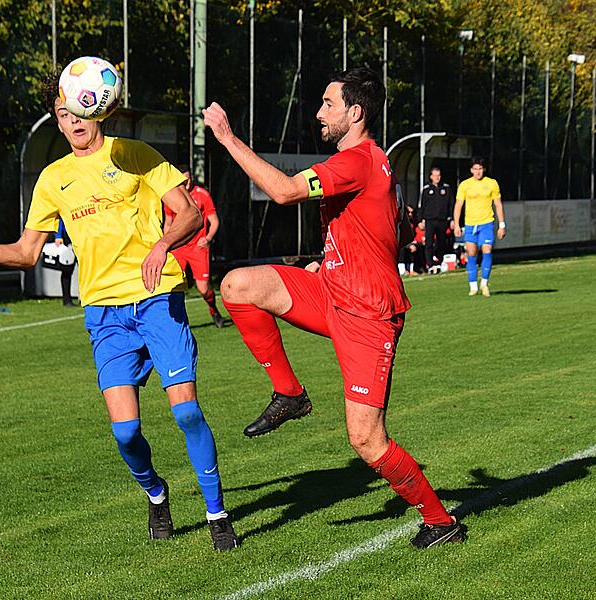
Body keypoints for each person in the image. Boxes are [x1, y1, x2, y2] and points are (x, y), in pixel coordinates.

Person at [0, 71, 238, 551]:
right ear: (57, 121)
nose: (71, 119)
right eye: (62, 113)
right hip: (104, 314)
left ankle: (216, 512)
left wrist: (162, 245)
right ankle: (156, 493)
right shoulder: (53, 179)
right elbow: (26, 252)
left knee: (185, 414)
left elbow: (190, 214)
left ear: (96, 108)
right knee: (125, 432)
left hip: (157, 297)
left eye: (78, 109)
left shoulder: (135, 154)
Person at [203, 67, 466, 548]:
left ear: (355, 112)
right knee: (238, 285)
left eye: (328, 104)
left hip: (368, 315)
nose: (318, 112)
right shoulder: (375, 163)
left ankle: (440, 521)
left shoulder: (358, 160)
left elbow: (282, 192)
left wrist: (227, 138)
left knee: (366, 440)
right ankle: (290, 394)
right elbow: (399, 230)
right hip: (331, 294)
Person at [163, 167, 227, 328]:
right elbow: (168, 223)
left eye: (188, 178)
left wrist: (208, 238)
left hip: (198, 248)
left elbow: (214, 221)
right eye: (182, 179)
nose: (186, 182)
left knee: (204, 289)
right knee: (173, 287)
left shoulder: (202, 194)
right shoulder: (172, 196)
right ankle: (174, 324)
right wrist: (166, 243)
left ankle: (213, 310)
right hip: (179, 247)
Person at [453, 157, 506, 297]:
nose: (478, 172)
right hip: (470, 224)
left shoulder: (491, 183)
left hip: (487, 223)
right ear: (471, 170)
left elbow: (498, 204)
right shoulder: (465, 185)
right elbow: (458, 205)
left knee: (487, 250)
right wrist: (457, 224)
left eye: (480, 169)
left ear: (484, 169)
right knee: (471, 253)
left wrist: (502, 225)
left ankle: (484, 283)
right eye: (475, 169)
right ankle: (473, 286)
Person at [418, 166, 453, 270]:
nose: (437, 178)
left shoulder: (446, 188)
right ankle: (429, 264)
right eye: (435, 175)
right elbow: (422, 206)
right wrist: (421, 220)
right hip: (430, 220)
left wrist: (451, 218)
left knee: (441, 242)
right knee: (429, 243)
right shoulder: (426, 189)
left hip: (442, 219)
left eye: (439, 175)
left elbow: (451, 204)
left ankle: (440, 261)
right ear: (431, 177)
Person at [54, 218, 76, 306]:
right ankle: (67, 299)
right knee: (67, 269)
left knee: (85, 269)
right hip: (67, 239)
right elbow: (60, 218)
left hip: (82, 237)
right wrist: (58, 236)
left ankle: (83, 298)